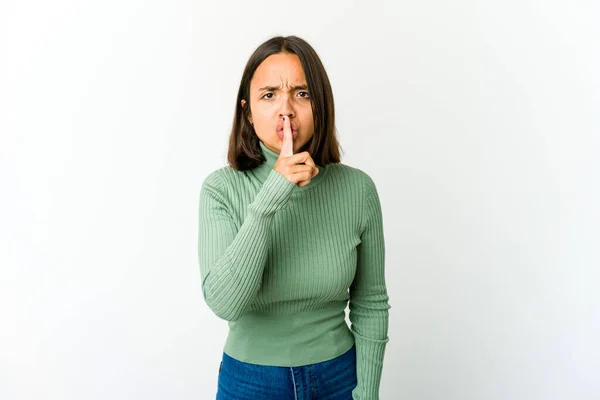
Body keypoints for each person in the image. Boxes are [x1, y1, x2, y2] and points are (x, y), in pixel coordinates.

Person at [198, 35, 391, 400]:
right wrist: (272, 194)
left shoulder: (358, 189)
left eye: (301, 94)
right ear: (248, 111)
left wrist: (366, 394)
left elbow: (371, 303)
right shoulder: (220, 190)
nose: (285, 109)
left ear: (320, 106)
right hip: (251, 383)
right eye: (269, 95)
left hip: (339, 376)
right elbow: (224, 302)